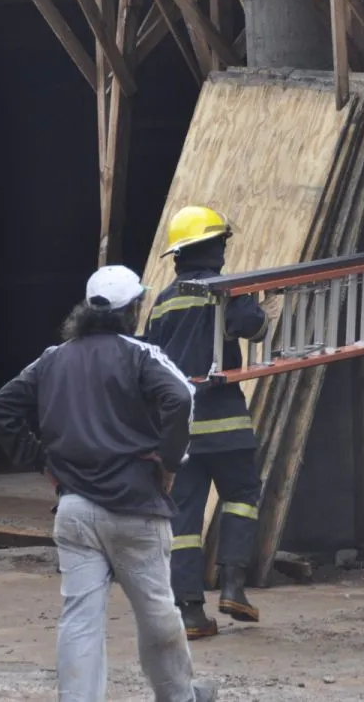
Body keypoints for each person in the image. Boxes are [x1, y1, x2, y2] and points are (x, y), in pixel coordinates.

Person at [0, 265, 216, 702]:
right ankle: (179, 696)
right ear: (134, 310)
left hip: (75, 511)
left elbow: (0, 408)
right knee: (156, 614)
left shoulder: (52, 359)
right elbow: (181, 396)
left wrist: (40, 461)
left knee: (80, 618)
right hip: (136, 508)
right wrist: (169, 463)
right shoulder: (140, 353)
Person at [143, 206, 271, 640]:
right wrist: (261, 311)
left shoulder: (161, 304)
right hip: (226, 425)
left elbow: (148, 362)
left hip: (180, 434)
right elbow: (252, 328)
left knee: (184, 519)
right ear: (212, 249)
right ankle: (233, 585)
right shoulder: (226, 291)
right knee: (242, 494)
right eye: (222, 243)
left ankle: (191, 613)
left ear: (178, 256)